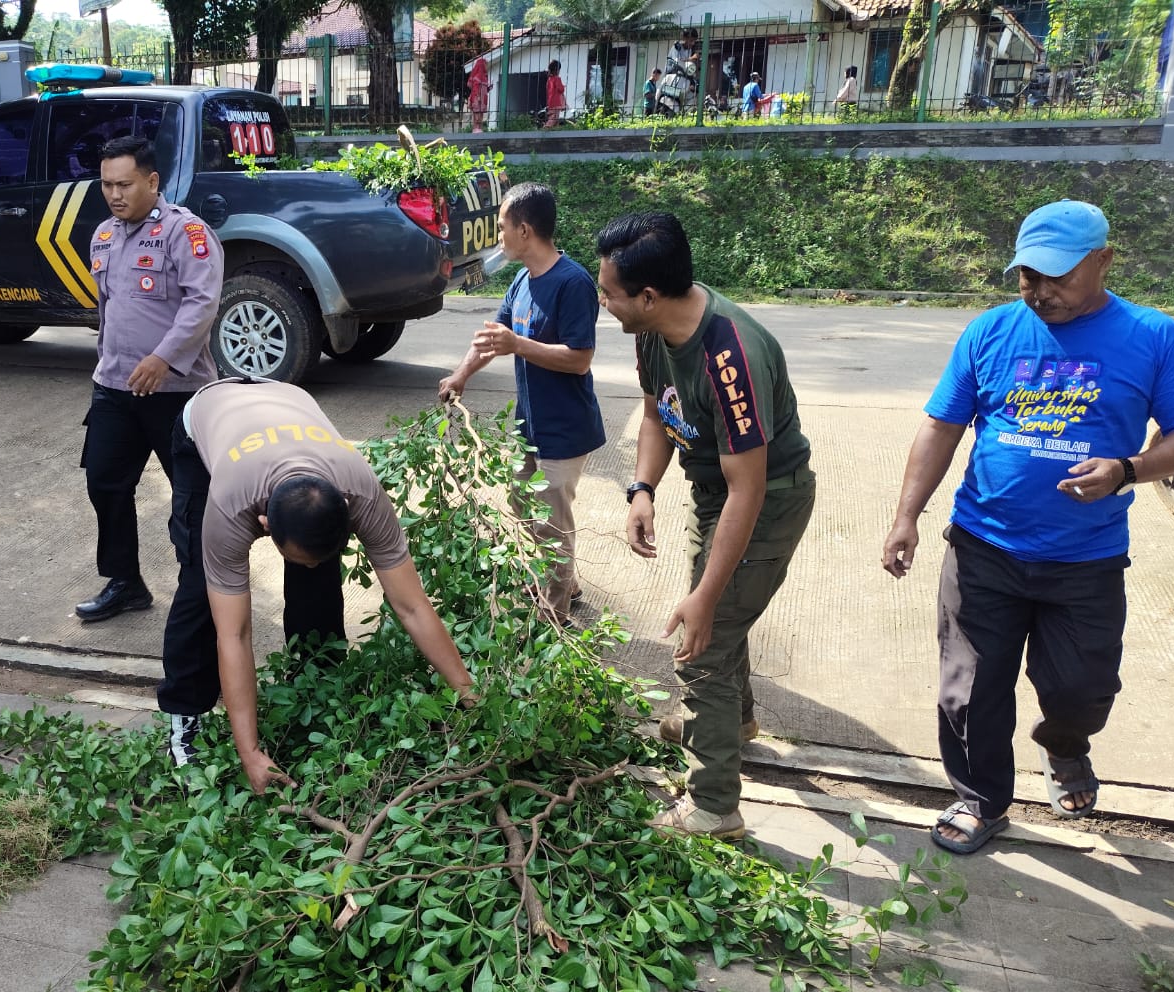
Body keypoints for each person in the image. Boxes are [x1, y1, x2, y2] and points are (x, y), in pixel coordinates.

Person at [882, 199, 1174, 855]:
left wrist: (1129, 469)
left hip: (1086, 558)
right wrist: (906, 516)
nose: (1041, 292)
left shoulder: (1154, 337)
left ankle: (1064, 744)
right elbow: (942, 425)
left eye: (1058, 277)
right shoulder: (991, 332)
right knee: (969, 690)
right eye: (1028, 276)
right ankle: (981, 800)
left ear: (1104, 261)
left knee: (1081, 687)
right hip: (983, 546)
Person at [597, 212, 815, 840]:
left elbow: (748, 489)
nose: (602, 302)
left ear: (647, 295)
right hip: (714, 490)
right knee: (717, 615)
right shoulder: (650, 331)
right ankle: (732, 721)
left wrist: (705, 596)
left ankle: (716, 806)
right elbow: (655, 413)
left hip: (767, 500)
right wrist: (642, 488)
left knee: (704, 639)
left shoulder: (730, 358)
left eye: (609, 292)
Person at [156, 378, 476, 788]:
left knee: (318, 577)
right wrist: (250, 754)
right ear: (265, 525)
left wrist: (469, 694)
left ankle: (316, 687)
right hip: (207, 417)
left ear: (346, 510)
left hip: (286, 399)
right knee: (203, 588)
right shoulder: (231, 506)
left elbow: (412, 605)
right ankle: (184, 715)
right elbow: (234, 635)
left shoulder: (361, 490)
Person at [438, 182, 602, 622]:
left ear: (525, 230)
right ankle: (563, 577)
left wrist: (518, 344)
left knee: (551, 522)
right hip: (531, 425)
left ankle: (556, 612)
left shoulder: (573, 283)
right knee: (520, 501)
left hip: (565, 430)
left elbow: (580, 360)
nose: (498, 237)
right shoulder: (523, 281)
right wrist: (461, 374)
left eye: (502, 228)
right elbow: (495, 337)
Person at [76, 134, 223, 624]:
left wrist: (163, 358)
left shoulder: (187, 233)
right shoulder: (103, 235)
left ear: (152, 181)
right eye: (106, 186)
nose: (115, 195)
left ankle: (199, 591)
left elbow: (202, 303)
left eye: (125, 184)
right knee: (104, 483)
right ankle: (125, 583)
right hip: (115, 389)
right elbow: (109, 309)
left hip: (176, 393)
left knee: (190, 499)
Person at [467, 57, 492, 134]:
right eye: (486, 64)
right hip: (477, 98)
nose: (487, 66)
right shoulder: (477, 77)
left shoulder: (485, 77)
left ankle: (479, 128)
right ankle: (475, 128)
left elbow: (485, 90)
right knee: (476, 115)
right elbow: (474, 88)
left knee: (481, 115)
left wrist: (489, 87)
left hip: (483, 99)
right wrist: (477, 97)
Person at [544, 60, 566, 128]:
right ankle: (546, 128)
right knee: (554, 118)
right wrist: (563, 86)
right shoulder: (557, 79)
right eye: (559, 70)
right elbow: (561, 89)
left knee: (554, 118)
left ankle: (554, 131)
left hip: (550, 103)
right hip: (556, 103)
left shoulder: (549, 79)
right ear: (556, 70)